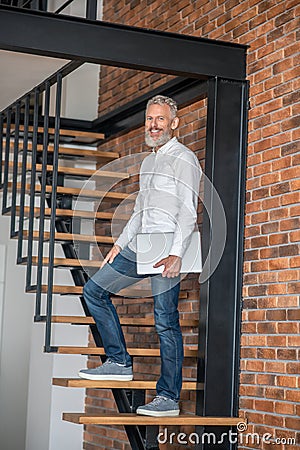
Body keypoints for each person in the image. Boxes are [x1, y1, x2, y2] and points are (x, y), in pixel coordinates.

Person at [79, 95, 202, 417]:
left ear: (174, 123)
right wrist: (120, 244)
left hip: (166, 248)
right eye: (150, 119)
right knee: (93, 291)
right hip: (139, 246)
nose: (154, 125)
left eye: (160, 119)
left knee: (165, 322)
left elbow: (189, 211)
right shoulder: (148, 161)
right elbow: (139, 209)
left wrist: (176, 254)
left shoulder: (184, 158)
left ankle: (168, 398)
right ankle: (119, 361)